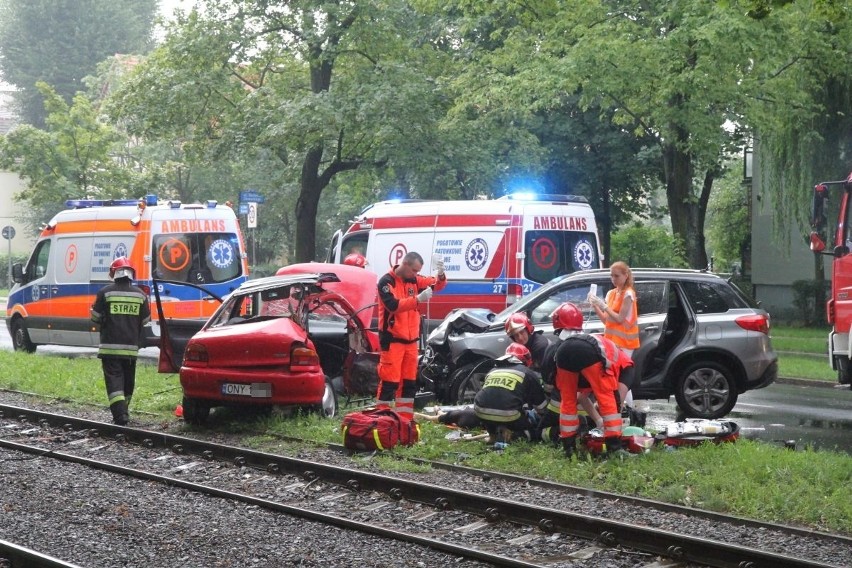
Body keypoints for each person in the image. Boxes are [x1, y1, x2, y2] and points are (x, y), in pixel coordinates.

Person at [553, 302, 634, 459]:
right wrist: (609, 423)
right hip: (588, 352)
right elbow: (614, 400)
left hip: (563, 351)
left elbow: (580, 397)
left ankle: (569, 448)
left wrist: (598, 420)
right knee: (606, 396)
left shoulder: (608, 354)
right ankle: (615, 449)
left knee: (567, 400)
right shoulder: (627, 366)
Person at [376, 251, 447, 420]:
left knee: (408, 383)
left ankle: (404, 420)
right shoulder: (386, 282)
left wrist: (441, 273)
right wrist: (418, 299)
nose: (416, 275)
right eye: (414, 270)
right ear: (405, 264)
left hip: (410, 341)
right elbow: (392, 305)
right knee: (389, 382)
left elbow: (436, 284)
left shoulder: (414, 279)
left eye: (417, 271)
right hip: (392, 340)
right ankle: (382, 418)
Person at [90, 257, 151, 425]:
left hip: (110, 348)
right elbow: (146, 320)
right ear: (132, 274)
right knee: (128, 381)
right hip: (131, 349)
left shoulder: (105, 292)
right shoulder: (140, 295)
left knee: (114, 381)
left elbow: (95, 318)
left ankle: (120, 415)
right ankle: (124, 410)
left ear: (113, 274)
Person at [473, 343, 548, 444]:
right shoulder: (527, 373)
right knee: (532, 433)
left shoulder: (492, 371)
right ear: (526, 359)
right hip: (509, 415)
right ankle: (511, 436)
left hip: (480, 411)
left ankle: (493, 435)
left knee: (494, 413)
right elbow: (541, 407)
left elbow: (490, 396)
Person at [588, 261, 639, 408]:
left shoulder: (629, 294)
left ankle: (627, 409)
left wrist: (603, 305)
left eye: (617, 276)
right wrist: (596, 305)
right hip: (612, 343)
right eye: (611, 276)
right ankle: (624, 409)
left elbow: (619, 318)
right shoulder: (611, 293)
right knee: (616, 378)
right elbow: (606, 320)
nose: (613, 279)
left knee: (623, 379)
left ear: (625, 275)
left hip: (625, 344)